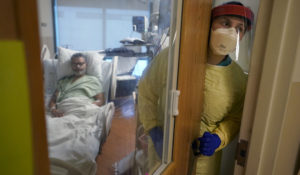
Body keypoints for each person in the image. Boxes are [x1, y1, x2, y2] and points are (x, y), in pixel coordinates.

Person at [137, 1, 254, 174]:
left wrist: (218, 138)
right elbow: (146, 92)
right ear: (209, 24)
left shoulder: (237, 78)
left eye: (239, 29)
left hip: (204, 164)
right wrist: (154, 130)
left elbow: (235, 118)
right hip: (165, 152)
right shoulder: (172, 57)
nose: (231, 32)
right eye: (225, 23)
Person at [49, 53, 105, 117]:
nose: (78, 67)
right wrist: (53, 110)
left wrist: (87, 108)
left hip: (84, 106)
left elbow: (101, 100)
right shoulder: (63, 81)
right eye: (74, 64)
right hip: (64, 108)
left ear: (86, 65)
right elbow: (53, 100)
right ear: (71, 65)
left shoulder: (93, 80)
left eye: (81, 64)